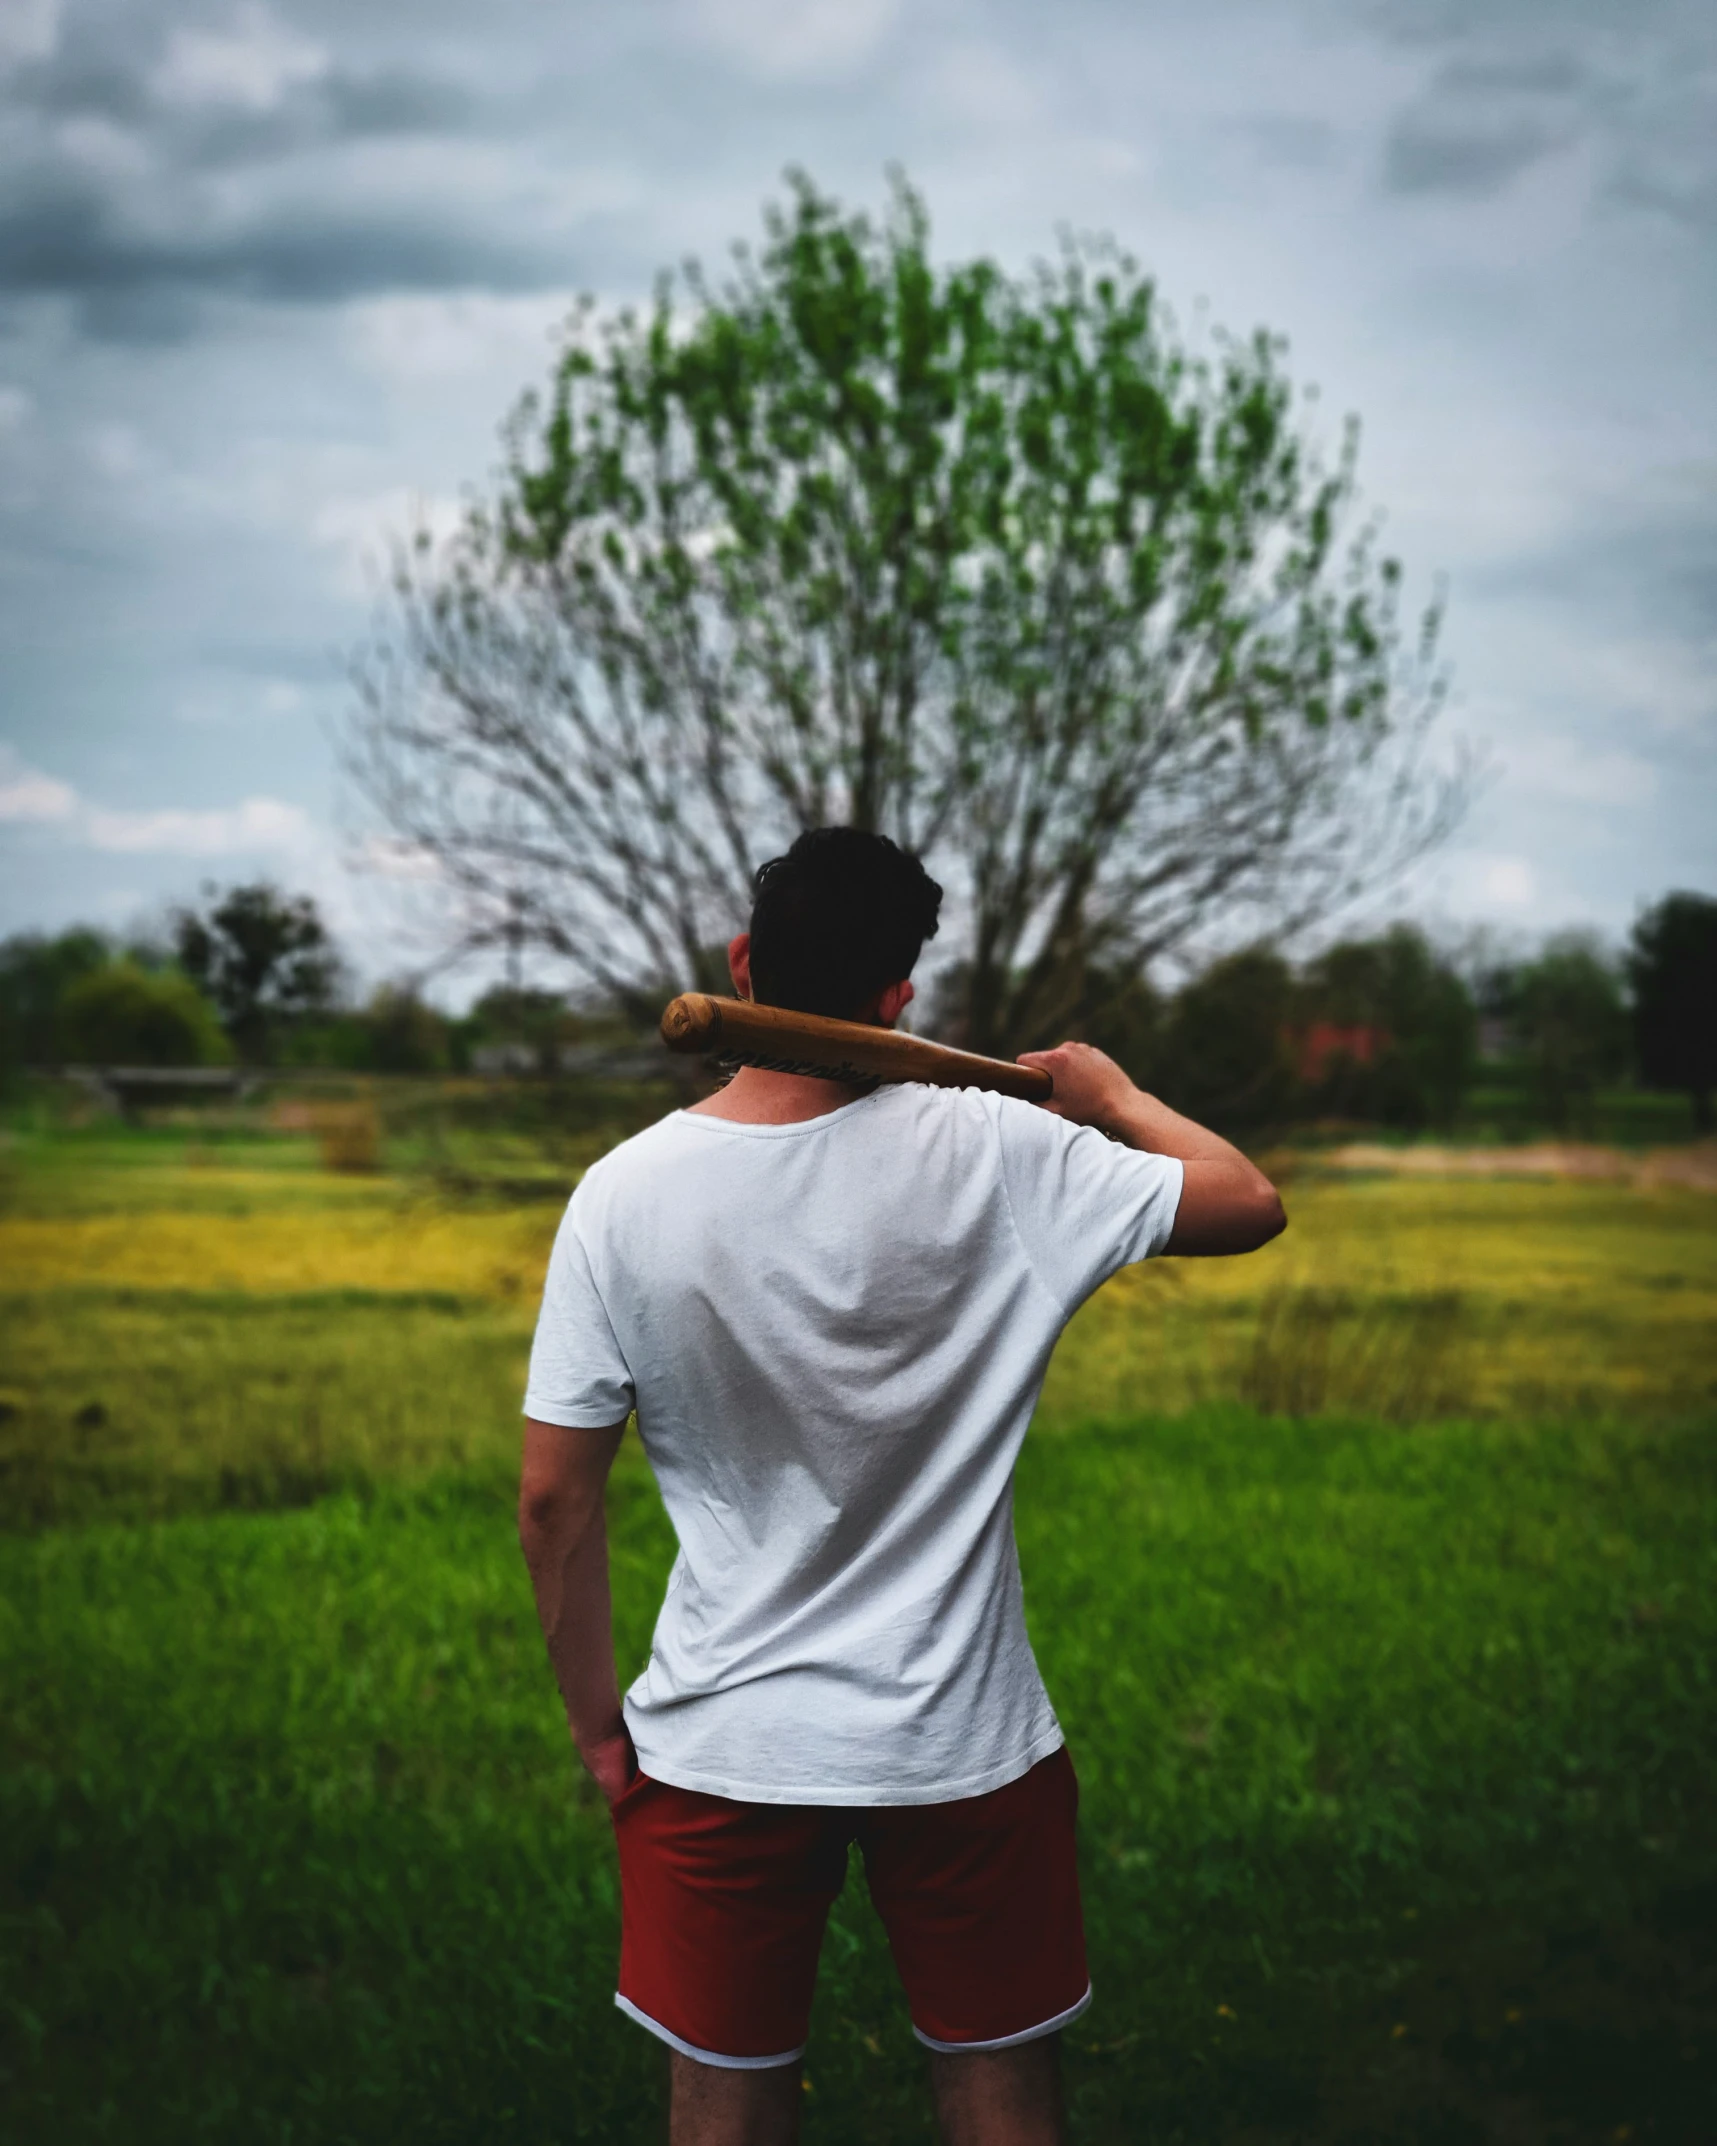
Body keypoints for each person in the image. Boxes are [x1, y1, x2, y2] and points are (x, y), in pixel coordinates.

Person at [519, 829, 1286, 2146]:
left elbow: (554, 1502)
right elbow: (1251, 1198)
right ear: (899, 996)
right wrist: (1107, 1090)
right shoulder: (1010, 1152)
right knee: (1000, 2094)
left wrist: (601, 1729)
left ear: (744, 961)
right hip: (965, 1741)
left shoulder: (618, 1194)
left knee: (725, 2104)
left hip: (720, 1739)